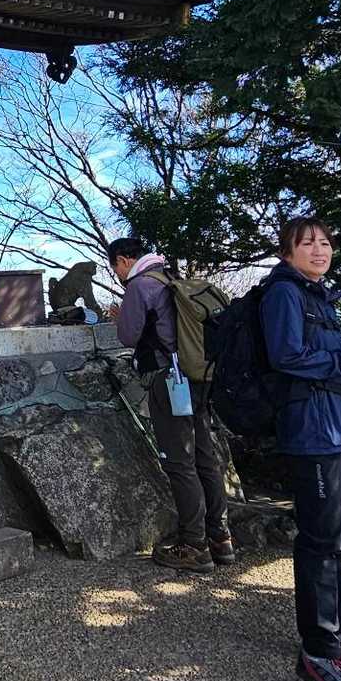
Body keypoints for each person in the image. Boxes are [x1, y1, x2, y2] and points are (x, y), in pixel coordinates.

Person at [260, 218, 341, 681]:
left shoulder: (319, 297)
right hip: (311, 431)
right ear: (287, 253)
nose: (319, 250)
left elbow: (323, 355)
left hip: (337, 428)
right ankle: (319, 652)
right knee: (320, 539)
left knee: (339, 533)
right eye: (307, 242)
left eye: (326, 242)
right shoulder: (284, 293)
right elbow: (286, 355)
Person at [108, 237, 231, 575]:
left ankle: (193, 545)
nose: (118, 274)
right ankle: (220, 537)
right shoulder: (171, 277)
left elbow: (128, 336)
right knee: (204, 456)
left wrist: (120, 318)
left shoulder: (139, 285)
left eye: (115, 267)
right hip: (198, 377)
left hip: (170, 380)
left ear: (123, 260)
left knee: (179, 462)